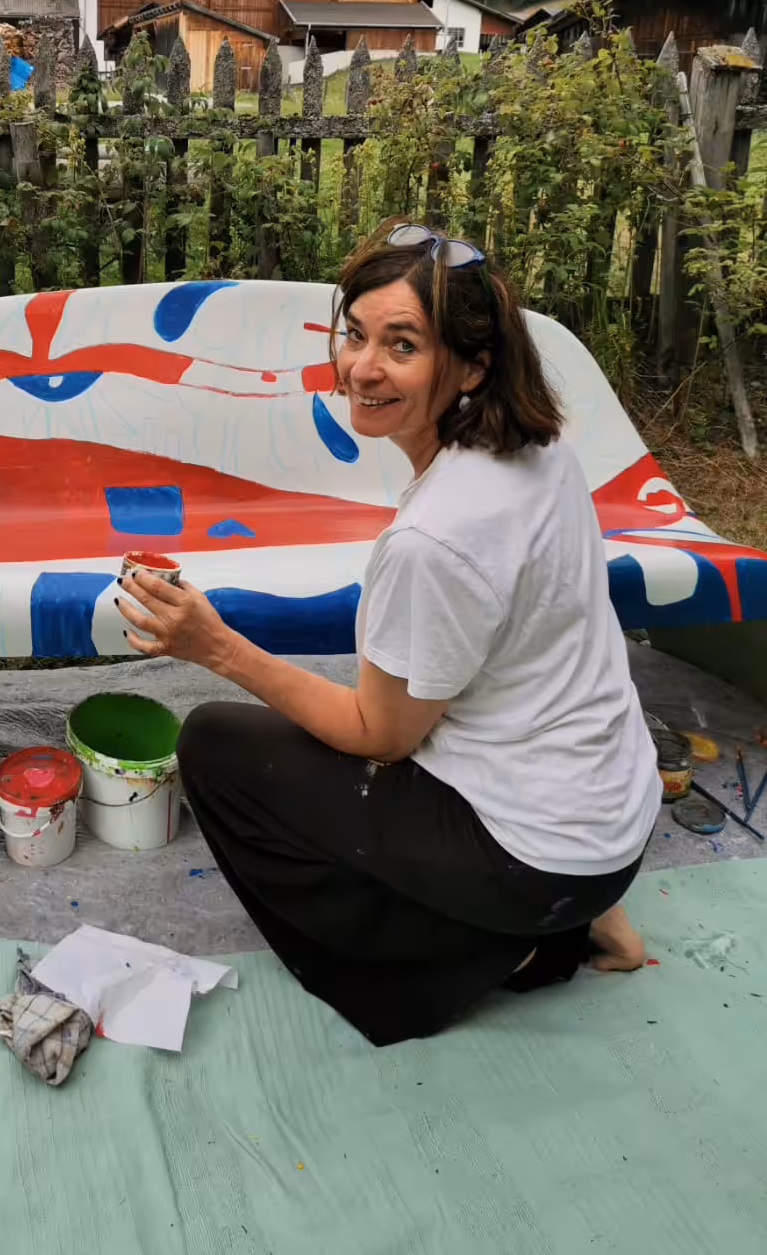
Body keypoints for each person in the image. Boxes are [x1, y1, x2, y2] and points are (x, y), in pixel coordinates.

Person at [115, 220, 662, 1046]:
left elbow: (382, 737)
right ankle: (586, 915)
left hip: (541, 861)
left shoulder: (435, 538)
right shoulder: (541, 451)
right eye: (356, 334)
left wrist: (214, 647)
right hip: (615, 820)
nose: (363, 368)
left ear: (472, 365)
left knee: (217, 747)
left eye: (402, 345)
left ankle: (499, 956)